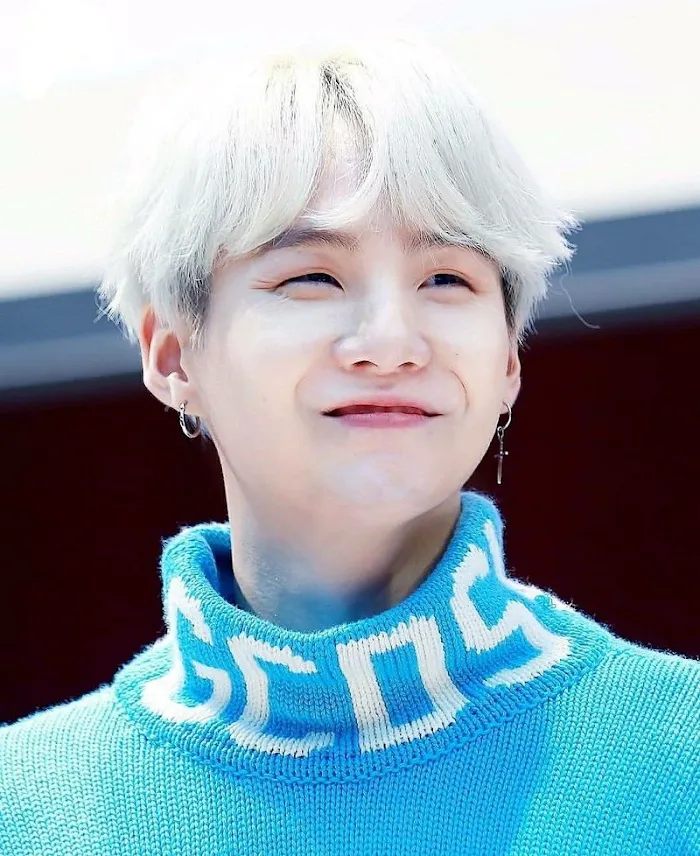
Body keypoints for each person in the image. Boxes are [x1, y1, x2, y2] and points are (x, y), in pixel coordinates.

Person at [1, 37, 697, 856]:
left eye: (448, 280)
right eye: (312, 278)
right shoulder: (29, 806)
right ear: (174, 354)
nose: (391, 342)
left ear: (508, 360)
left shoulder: (678, 756)